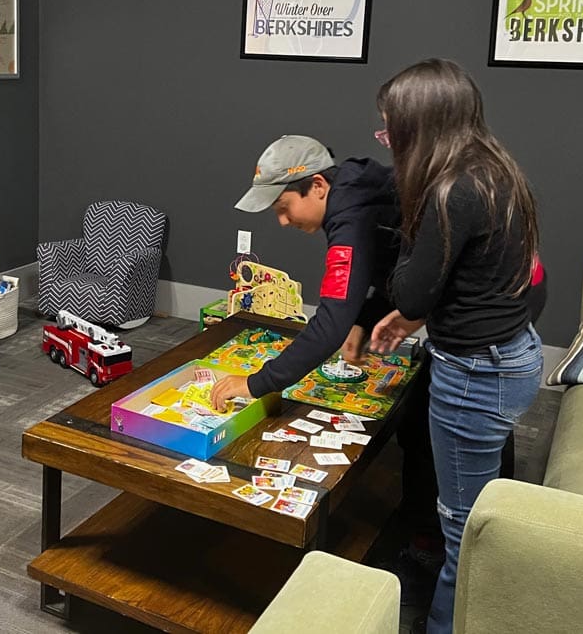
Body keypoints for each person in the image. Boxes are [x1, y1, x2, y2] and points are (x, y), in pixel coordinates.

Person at [369, 58, 543, 634]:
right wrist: (411, 320)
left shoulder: (447, 192)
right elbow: (472, 282)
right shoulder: (496, 168)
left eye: (391, 128)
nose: (386, 139)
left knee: (463, 526)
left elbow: (412, 289)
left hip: (476, 374)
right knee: (475, 505)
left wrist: (399, 226)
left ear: (422, 127)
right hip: (514, 353)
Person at [209, 135, 401, 410]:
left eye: (284, 208)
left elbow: (330, 323)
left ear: (318, 186)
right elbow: (394, 263)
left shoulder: (350, 217)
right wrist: (362, 320)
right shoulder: (354, 192)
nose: (283, 221)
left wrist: (256, 383)